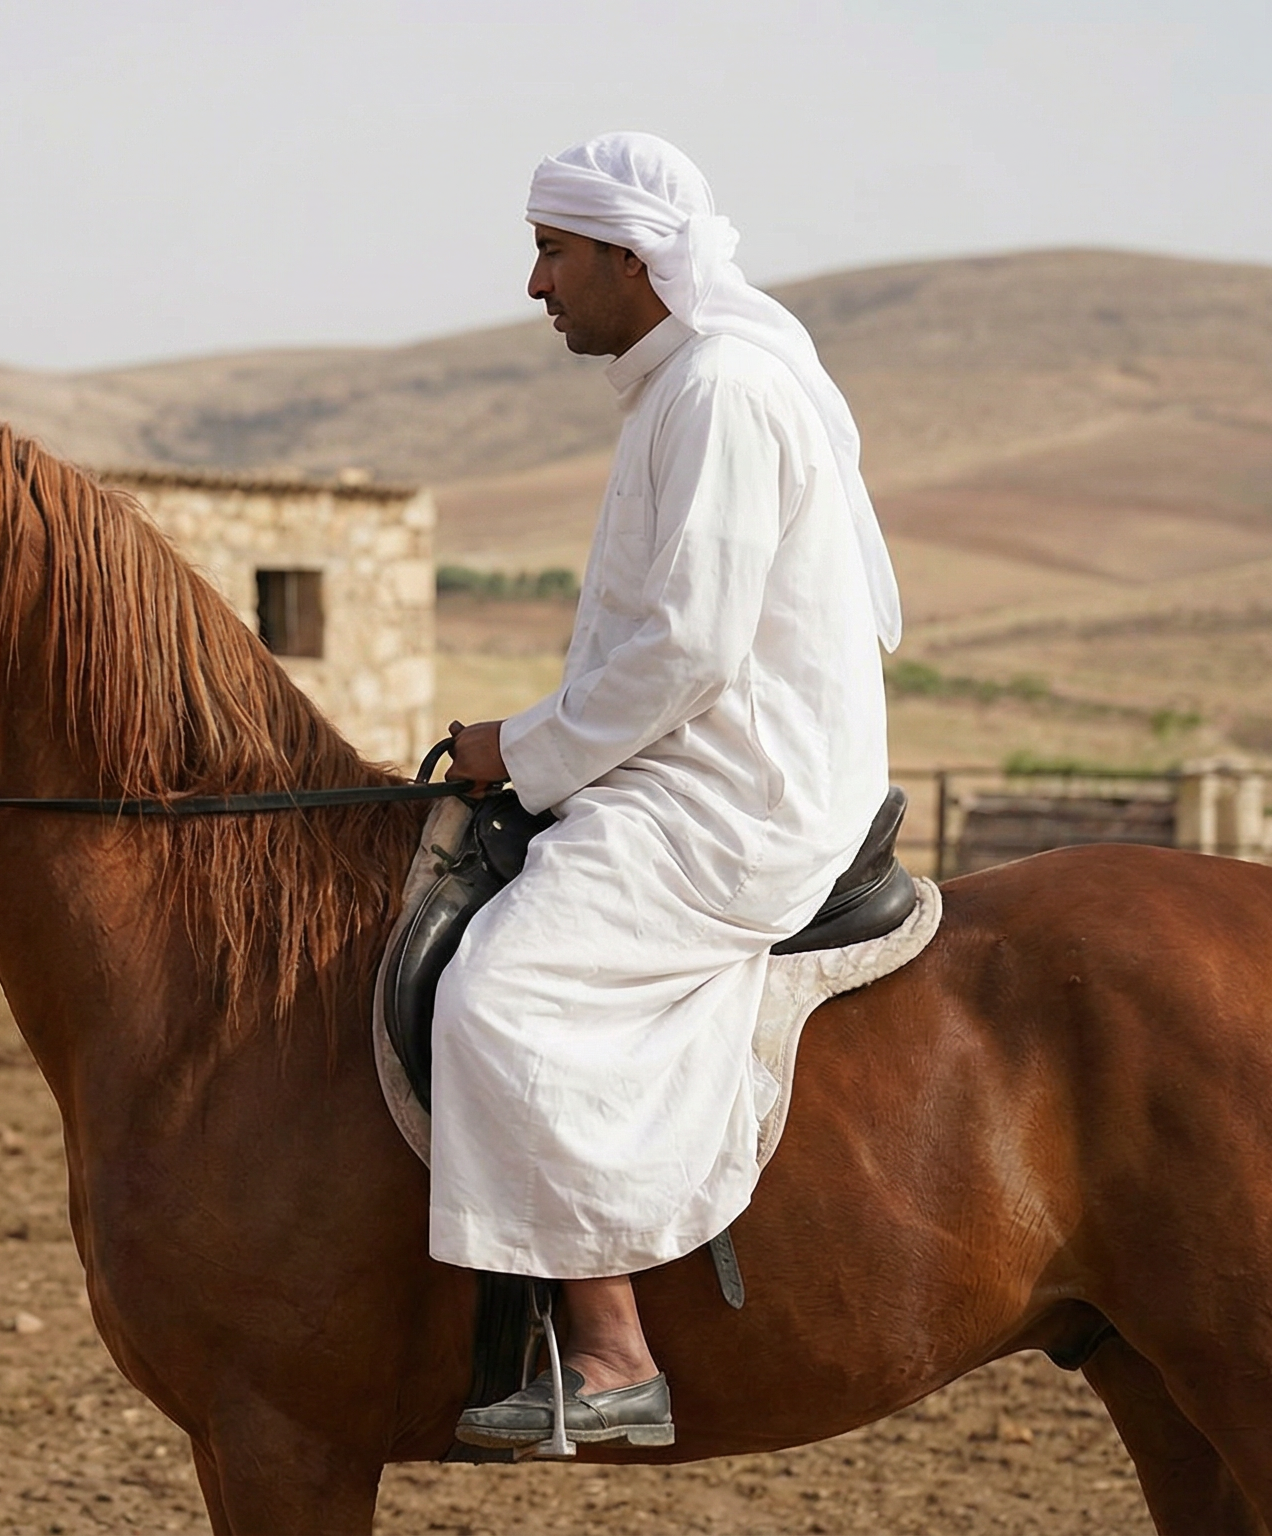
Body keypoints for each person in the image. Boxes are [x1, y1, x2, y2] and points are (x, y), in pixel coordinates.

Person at [435, 132, 902, 1452]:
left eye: (553, 252)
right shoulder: (683, 387)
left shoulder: (721, 392)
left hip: (734, 798)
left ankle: (612, 1351)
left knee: (501, 990)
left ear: (633, 258)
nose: (535, 284)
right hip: (689, 766)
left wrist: (520, 748)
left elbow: (688, 649)